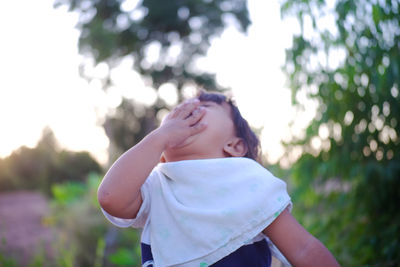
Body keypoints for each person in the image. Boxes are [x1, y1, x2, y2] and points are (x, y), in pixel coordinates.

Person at [98, 91, 340, 267]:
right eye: (182, 109)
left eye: (203, 107)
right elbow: (111, 197)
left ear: (234, 146)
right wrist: (158, 137)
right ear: (162, 158)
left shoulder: (250, 183)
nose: (188, 109)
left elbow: (303, 248)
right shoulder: (157, 185)